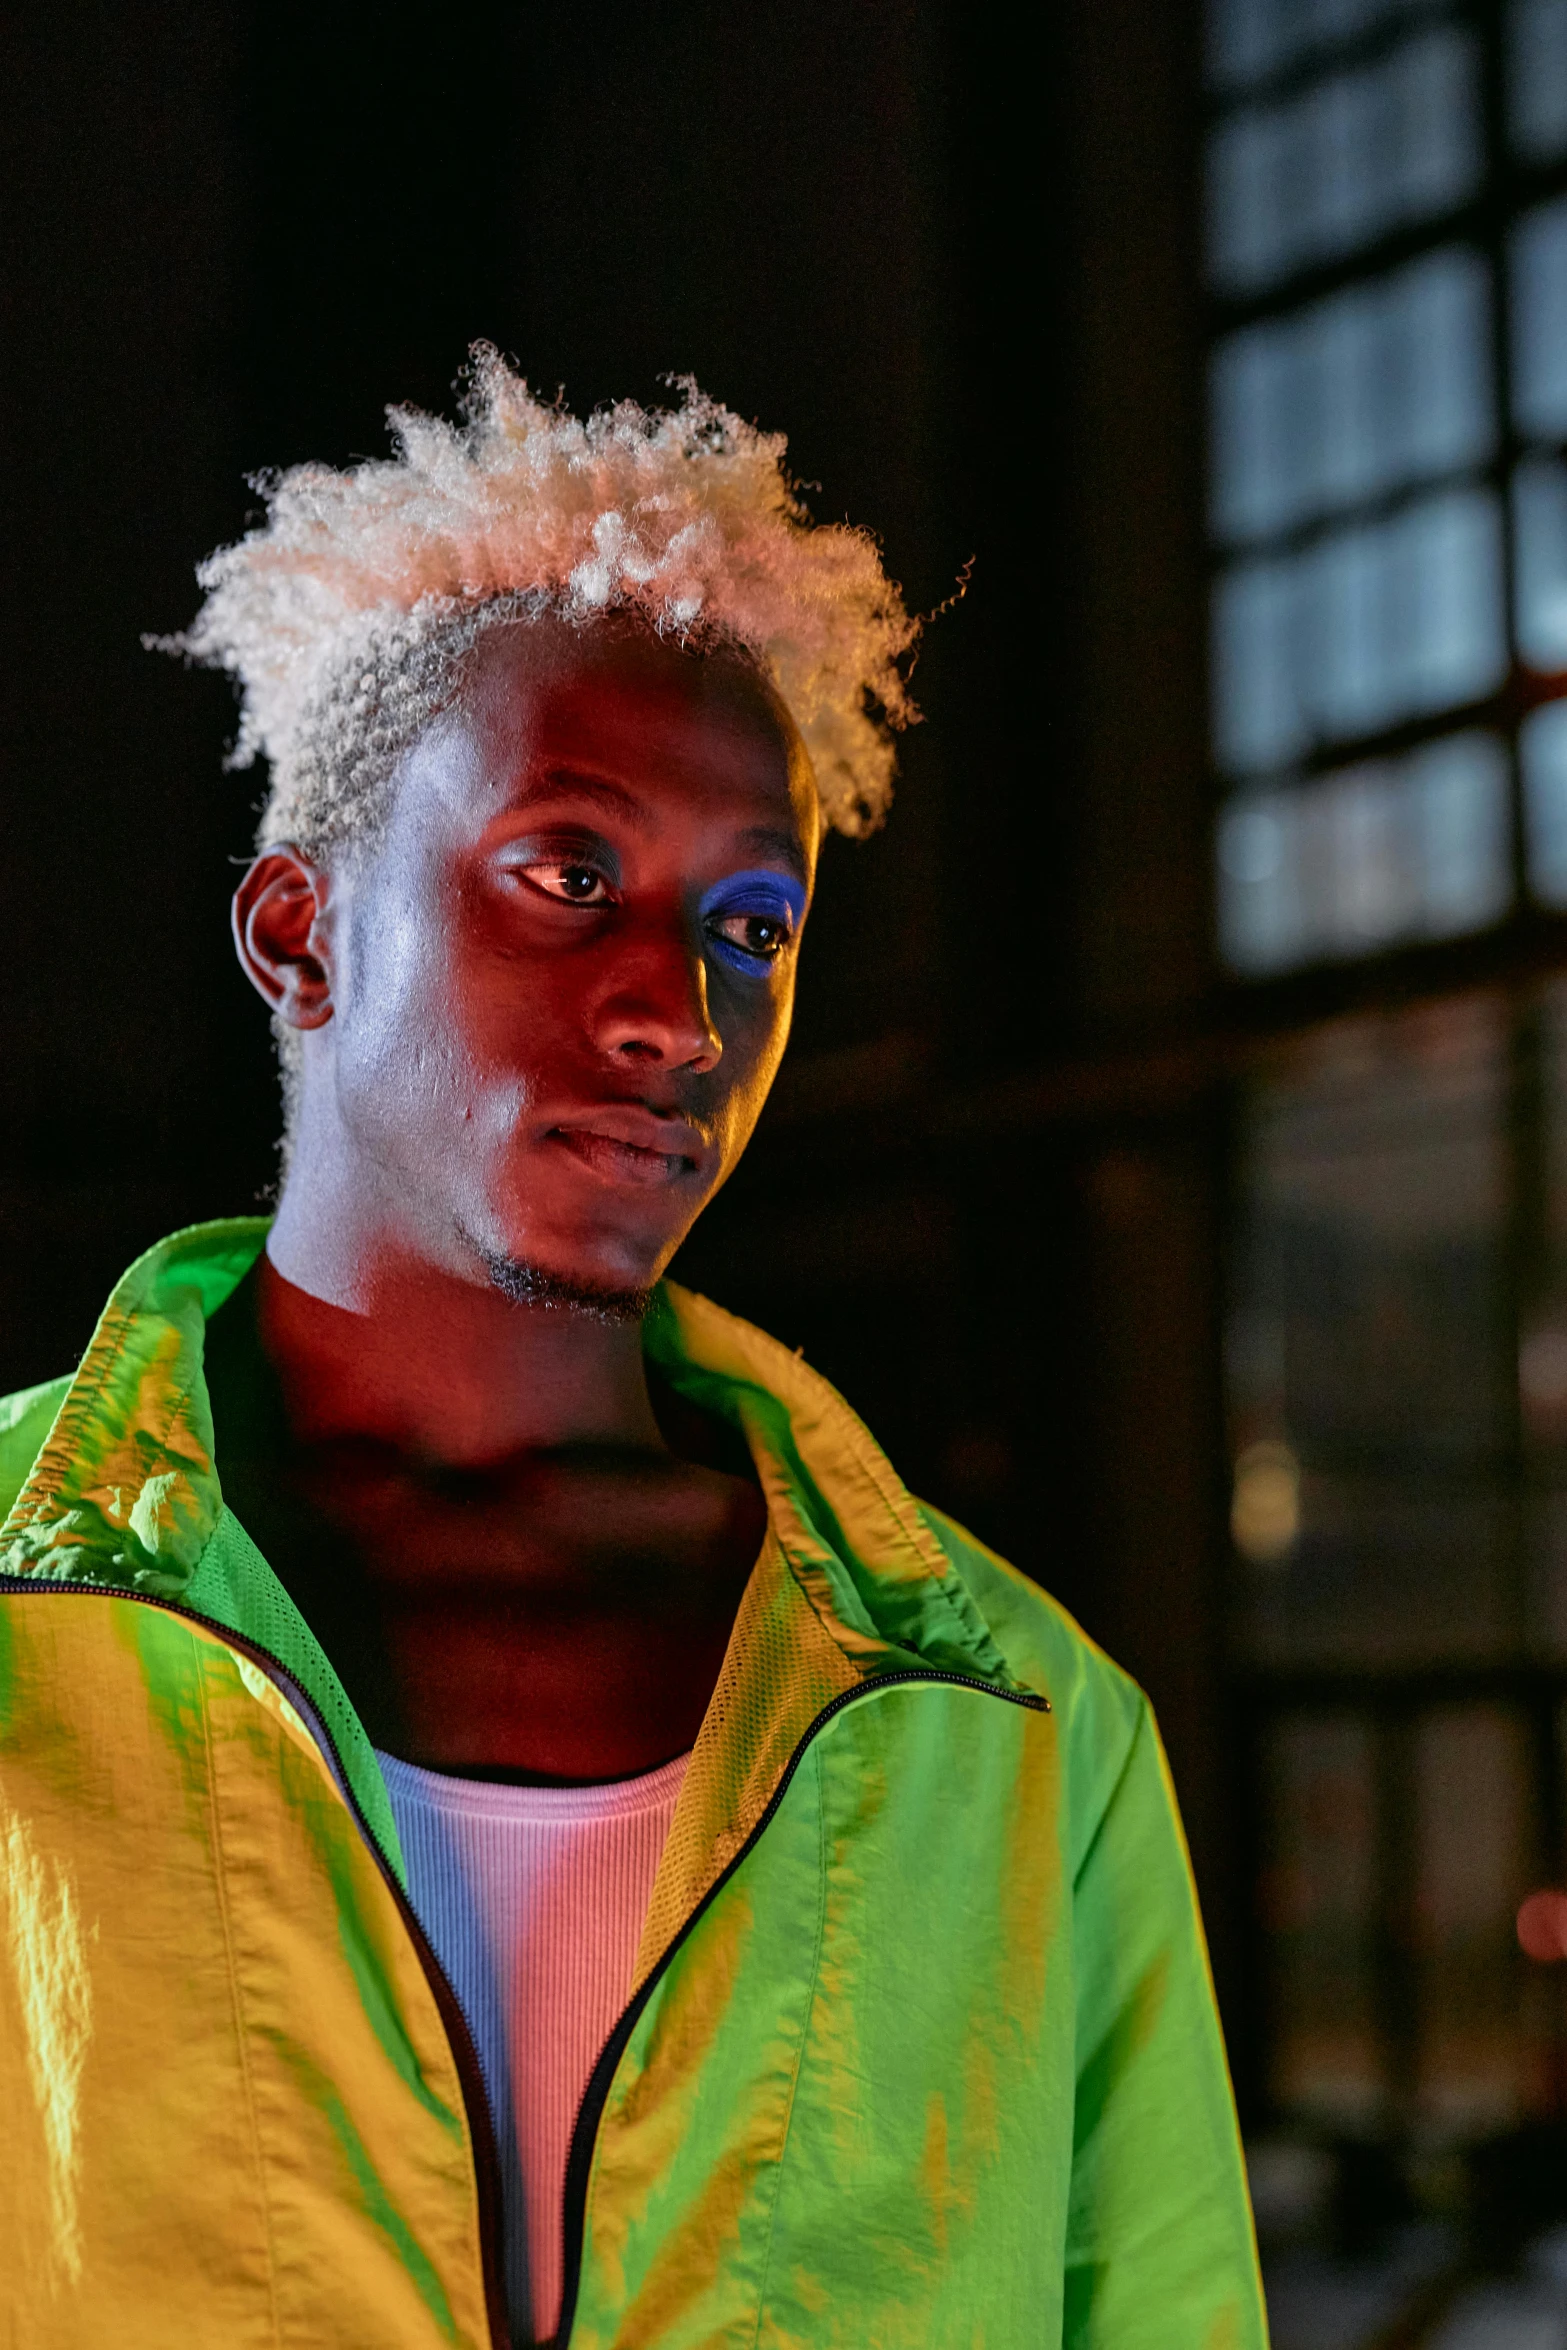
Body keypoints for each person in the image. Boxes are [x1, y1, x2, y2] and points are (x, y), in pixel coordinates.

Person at [0, 350, 1266, 2348]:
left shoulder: (1025, 1731)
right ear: (301, 929)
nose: (681, 1010)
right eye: (568, 870)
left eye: (752, 923)